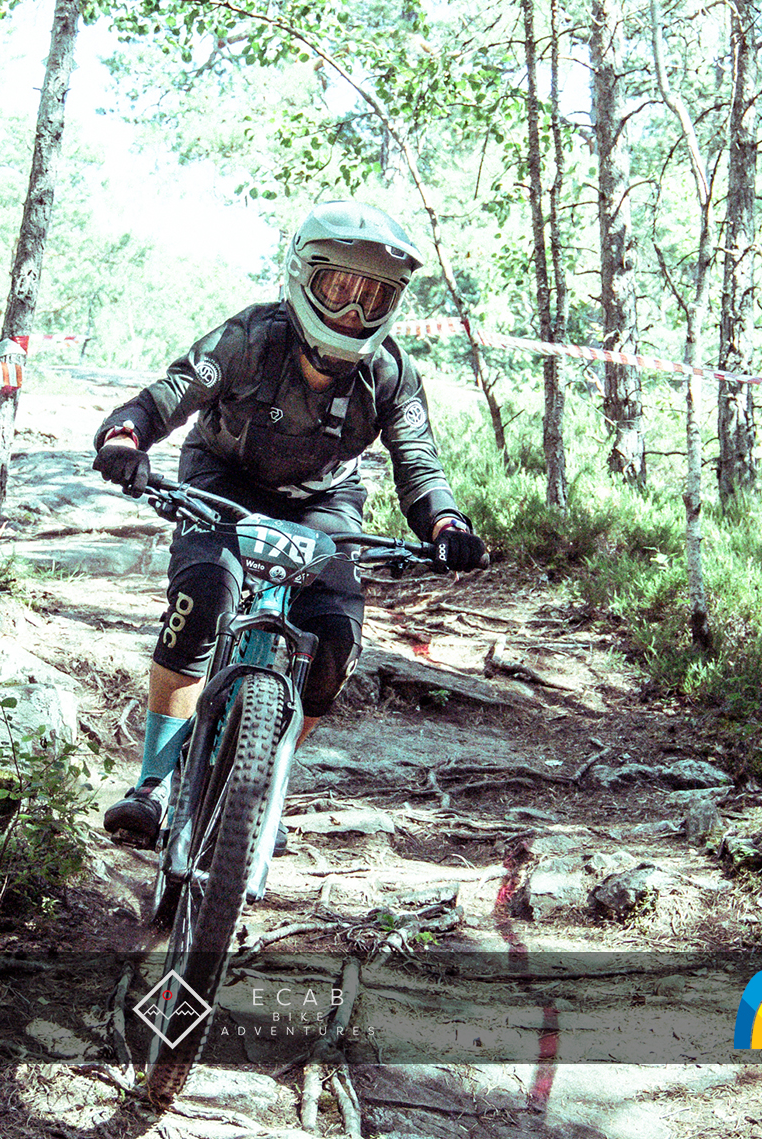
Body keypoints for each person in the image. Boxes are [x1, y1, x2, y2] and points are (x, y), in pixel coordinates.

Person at [91, 200, 488, 847]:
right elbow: (170, 393)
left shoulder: (390, 371)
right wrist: (125, 438)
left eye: (373, 297)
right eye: (340, 289)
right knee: (203, 596)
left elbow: (418, 461)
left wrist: (446, 526)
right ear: (304, 278)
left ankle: (260, 786)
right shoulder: (250, 337)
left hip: (323, 500)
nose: (354, 312)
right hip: (223, 479)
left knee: (336, 640)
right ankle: (153, 783)